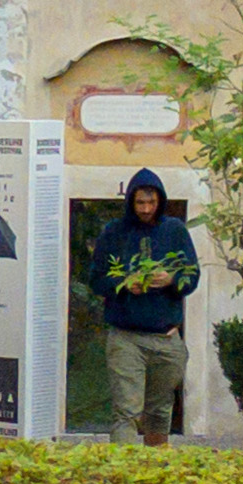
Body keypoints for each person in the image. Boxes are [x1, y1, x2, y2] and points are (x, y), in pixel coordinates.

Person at [91, 167, 201, 446]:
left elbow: (192, 276)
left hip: (166, 338)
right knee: (126, 410)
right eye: (140, 202)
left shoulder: (174, 230)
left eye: (151, 202)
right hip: (126, 337)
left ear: (160, 201)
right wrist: (124, 284)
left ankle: (154, 466)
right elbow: (96, 280)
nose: (145, 209)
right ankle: (122, 467)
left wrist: (172, 279)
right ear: (130, 201)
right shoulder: (114, 232)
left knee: (160, 411)